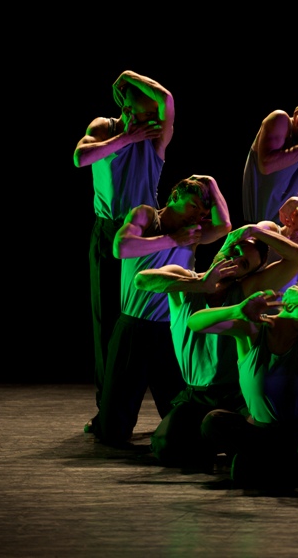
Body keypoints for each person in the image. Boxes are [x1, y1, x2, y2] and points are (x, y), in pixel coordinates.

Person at [133, 223, 298, 467]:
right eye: (235, 251)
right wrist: (201, 284)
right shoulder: (185, 280)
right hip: (196, 395)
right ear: (226, 244)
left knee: (248, 442)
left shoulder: (246, 289)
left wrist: (256, 232)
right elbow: (142, 280)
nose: (235, 261)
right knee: (166, 448)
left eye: (244, 264)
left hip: (235, 396)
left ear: (246, 274)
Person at [94, 176, 231, 447]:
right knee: (113, 433)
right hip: (134, 326)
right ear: (176, 195)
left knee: (183, 425)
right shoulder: (146, 215)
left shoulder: (193, 231)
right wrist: (172, 240)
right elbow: (121, 247)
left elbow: (224, 226)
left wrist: (213, 183)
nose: (198, 216)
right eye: (193, 206)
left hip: (169, 331)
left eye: (203, 212)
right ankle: (105, 421)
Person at [74, 70, 174, 432]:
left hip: (146, 232)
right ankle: (109, 407)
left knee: (147, 319)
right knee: (107, 321)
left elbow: (166, 100)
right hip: (109, 229)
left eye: (151, 115)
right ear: (125, 104)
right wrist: (125, 137)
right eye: (140, 111)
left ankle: (170, 404)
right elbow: (80, 159)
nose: (148, 119)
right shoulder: (105, 126)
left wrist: (127, 75)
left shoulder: (155, 137)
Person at [187, 278, 298, 491]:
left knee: (249, 471)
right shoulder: (255, 328)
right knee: (215, 421)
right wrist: (236, 310)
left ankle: (278, 469)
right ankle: (282, 469)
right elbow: (195, 323)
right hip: (263, 433)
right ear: (292, 296)